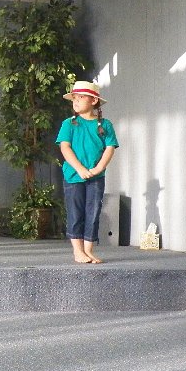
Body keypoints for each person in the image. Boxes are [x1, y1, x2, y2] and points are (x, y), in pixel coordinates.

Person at [55, 81, 118, 264]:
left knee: (93, 211)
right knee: (75, 212)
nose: (76, 101)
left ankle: (88, 250)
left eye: (81, 97)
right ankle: (78, 251)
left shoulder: (105, 125)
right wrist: (80, 169)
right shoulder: (69, 124)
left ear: (93, 101)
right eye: (74, 98)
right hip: (73, 176)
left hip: (96, 177)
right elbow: (65, 147)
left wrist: (98, 168)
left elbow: (110, 148)